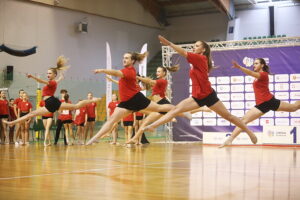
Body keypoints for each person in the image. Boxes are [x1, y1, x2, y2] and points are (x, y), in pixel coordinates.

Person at [143, 35, 257, 145]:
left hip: (208, 95)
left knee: (228, 116)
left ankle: (249, 131)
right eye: (194, 45)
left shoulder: (201, 58)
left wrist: (169, 44)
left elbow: (183, 53)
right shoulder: (196, 60)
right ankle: (154, 126)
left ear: (203, 49)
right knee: (175, 109)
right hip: (197, 97)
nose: (194, 47)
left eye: (197, 46)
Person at [86, 51, 184, 145]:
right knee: (112, 120)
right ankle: (95, 138)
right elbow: (121, 82)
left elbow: (116, 72)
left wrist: (103, 70)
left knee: (159, 108)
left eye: (127, 58)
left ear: (132, 61)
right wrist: (111, 80)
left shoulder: (129, 71)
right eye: (123, 58)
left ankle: (180, 111)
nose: (124, 60)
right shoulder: (126, 74)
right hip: (126, 103)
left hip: (136, 99)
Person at [219, 59, 300, 147]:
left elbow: (250, 73)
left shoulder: (263, 74)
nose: (254, 65)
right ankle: (230, 140)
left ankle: (230, 139)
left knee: (294, 107)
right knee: (243, 120)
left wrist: (239, 67)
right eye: (254, 63)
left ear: (262, 65)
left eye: (256, 63)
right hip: (262, 104)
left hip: (269, 101)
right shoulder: (258, 77)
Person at [4, 56, 101, 127]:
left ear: (54, 75)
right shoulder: (54, 82)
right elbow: (56, 81)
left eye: (49, 73)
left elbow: (42, 81)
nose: (47, 74)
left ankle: (92, 100)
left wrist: (32, 77)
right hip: (48, 104)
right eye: (47, 73)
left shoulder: (52, 82)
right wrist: (61, 78)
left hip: (52, 101)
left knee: (75, 106)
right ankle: (12, 123)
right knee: (31, 114)